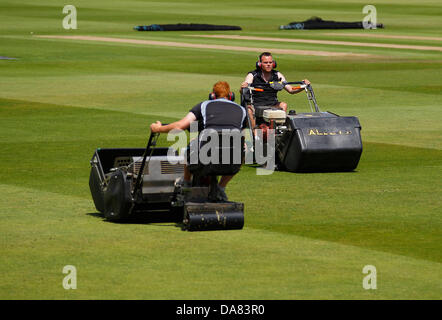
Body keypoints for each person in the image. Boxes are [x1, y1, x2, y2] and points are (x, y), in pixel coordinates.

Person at [150, 81, 247, 201]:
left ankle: (186, 182)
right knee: (243, 146)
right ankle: (221, 187)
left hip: (203, 160)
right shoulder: (242, 110)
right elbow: (241, 135)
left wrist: (158, 128)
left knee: (192, 144)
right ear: (231, 95)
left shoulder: (204, 105)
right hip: (232, 164)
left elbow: (179, 126)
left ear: (212, 95)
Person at [240, 52, 311, 129]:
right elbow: (243, 89)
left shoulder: (277, 75)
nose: (268, 64)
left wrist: (303, 86)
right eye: (265, 62)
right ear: (260, 64)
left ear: (273, 64)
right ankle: (254, 134)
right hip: (256, 105)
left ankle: (279, 131)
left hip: (272, 104)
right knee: (249, 110)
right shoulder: (252, 75)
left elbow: (291, 90)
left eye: (270, 62)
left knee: (283, 105)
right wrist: (243, 86)